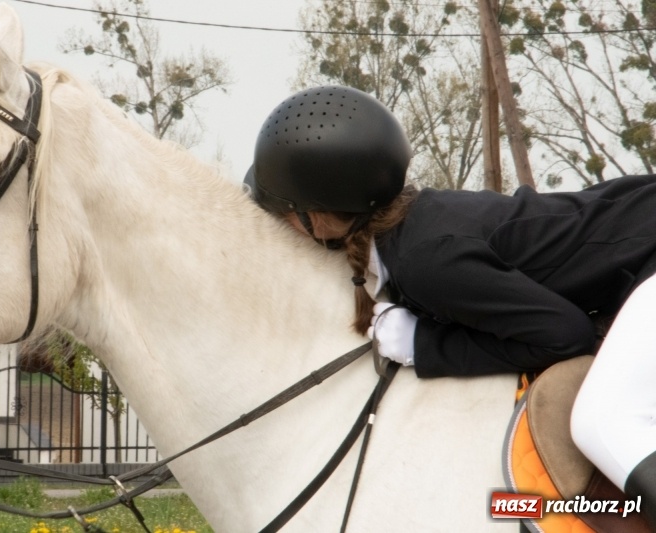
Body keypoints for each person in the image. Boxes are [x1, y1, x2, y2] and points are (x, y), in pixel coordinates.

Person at [244, 84, 656, 526]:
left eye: (285, 215)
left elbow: (565, 335)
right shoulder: (417, 229)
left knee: (604, 421)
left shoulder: (424, 260)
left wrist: (426, 345)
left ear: (319, 217)